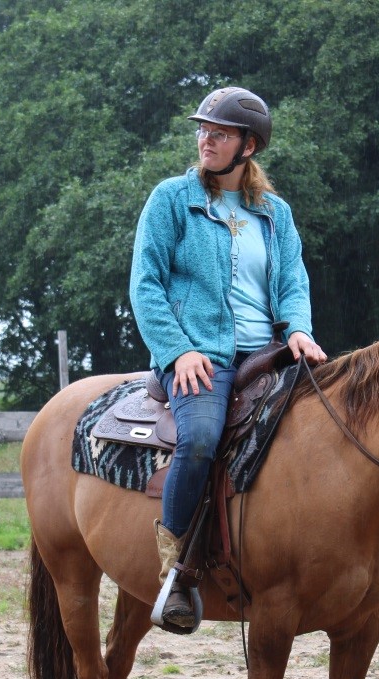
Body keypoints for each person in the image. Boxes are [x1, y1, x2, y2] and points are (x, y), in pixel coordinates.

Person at [129, 86, 327, 629]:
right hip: (201, 355)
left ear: (249, 146)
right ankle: (177, 571)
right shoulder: (172, 198)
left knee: (335, 427)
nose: (205, 139)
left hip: (269, 352)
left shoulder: (274, 213)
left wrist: (300, 331)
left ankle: (345, 561)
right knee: (198, 438)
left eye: (219, 133)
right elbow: (145, 285)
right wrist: (177, 352)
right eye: (203, 130)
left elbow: (291, 282)